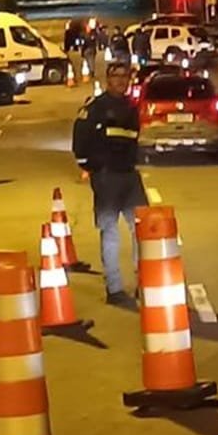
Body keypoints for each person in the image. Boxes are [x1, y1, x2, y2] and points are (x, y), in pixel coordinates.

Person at [72, 62, 145, 305]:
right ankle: (114, 289)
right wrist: (91, 166)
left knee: (142, 230)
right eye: (117, 76)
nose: (122, 81)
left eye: (126, 77)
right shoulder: (95, 108)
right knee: (110, 231)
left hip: (128, 175)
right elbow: (79, 141)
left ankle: (144, 282)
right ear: (108, 79)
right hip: (106, 177)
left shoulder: (131, 107)